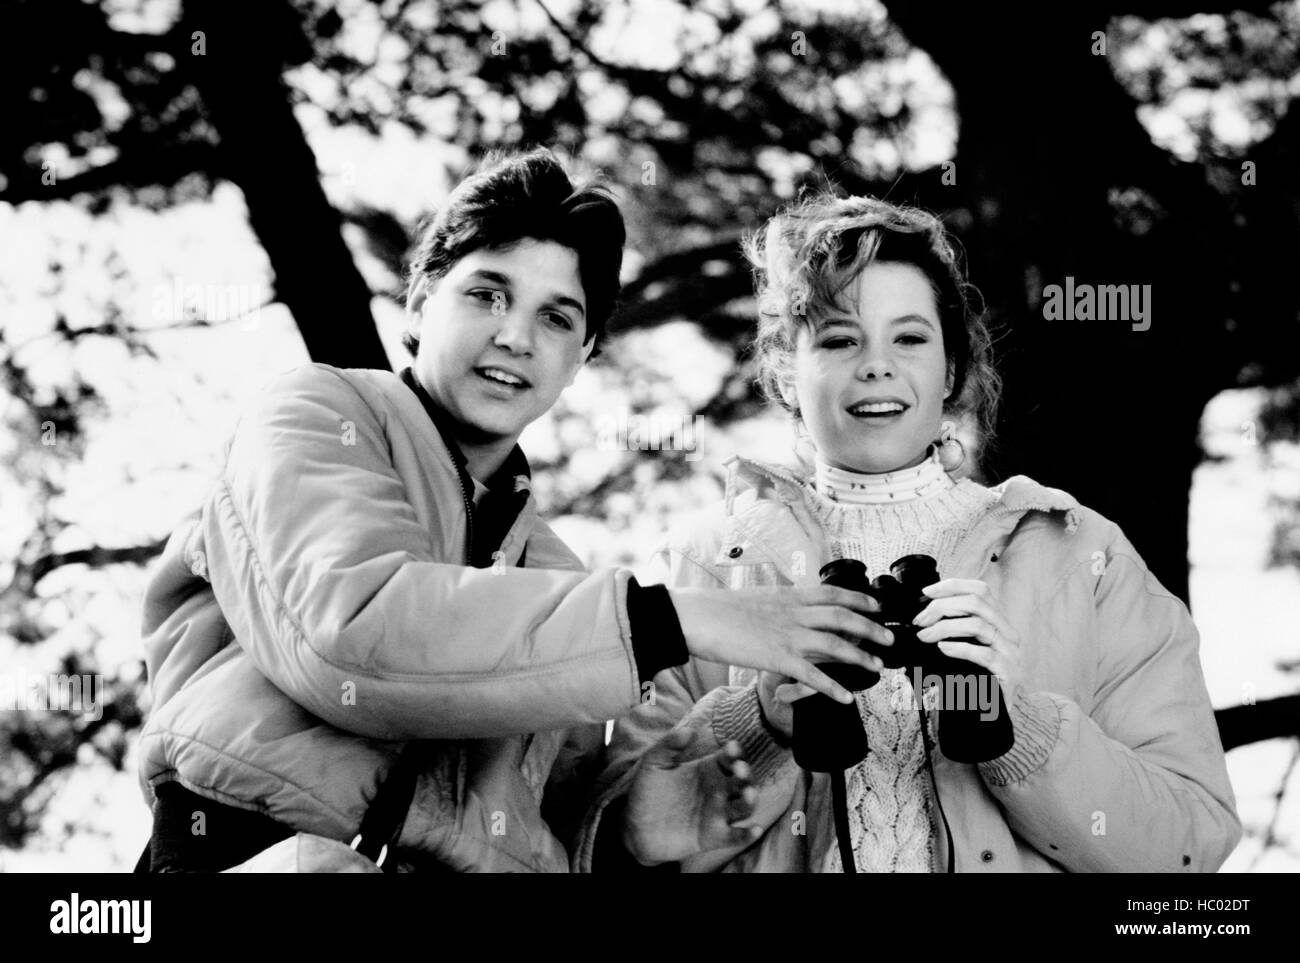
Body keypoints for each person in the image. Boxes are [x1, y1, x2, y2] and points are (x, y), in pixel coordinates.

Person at [134, 149, 881, 873]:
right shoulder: (317, 414)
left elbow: (535, 833)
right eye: (487, 294)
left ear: (582, 355)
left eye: (557, 319)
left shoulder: (558, 577)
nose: (515, 336)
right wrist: (676, 619)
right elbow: (353, 635)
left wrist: (630, 836)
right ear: (423, 300)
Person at [577, 193, 1242, 873]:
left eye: (910, 337)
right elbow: (610, 848)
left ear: (951, 368)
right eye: (839, 338)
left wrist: (1022, 727)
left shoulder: (1080, 555)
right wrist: (760, 722)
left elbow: (1188, 844)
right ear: (785, 370)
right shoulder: (702, 567)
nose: (876, 364)